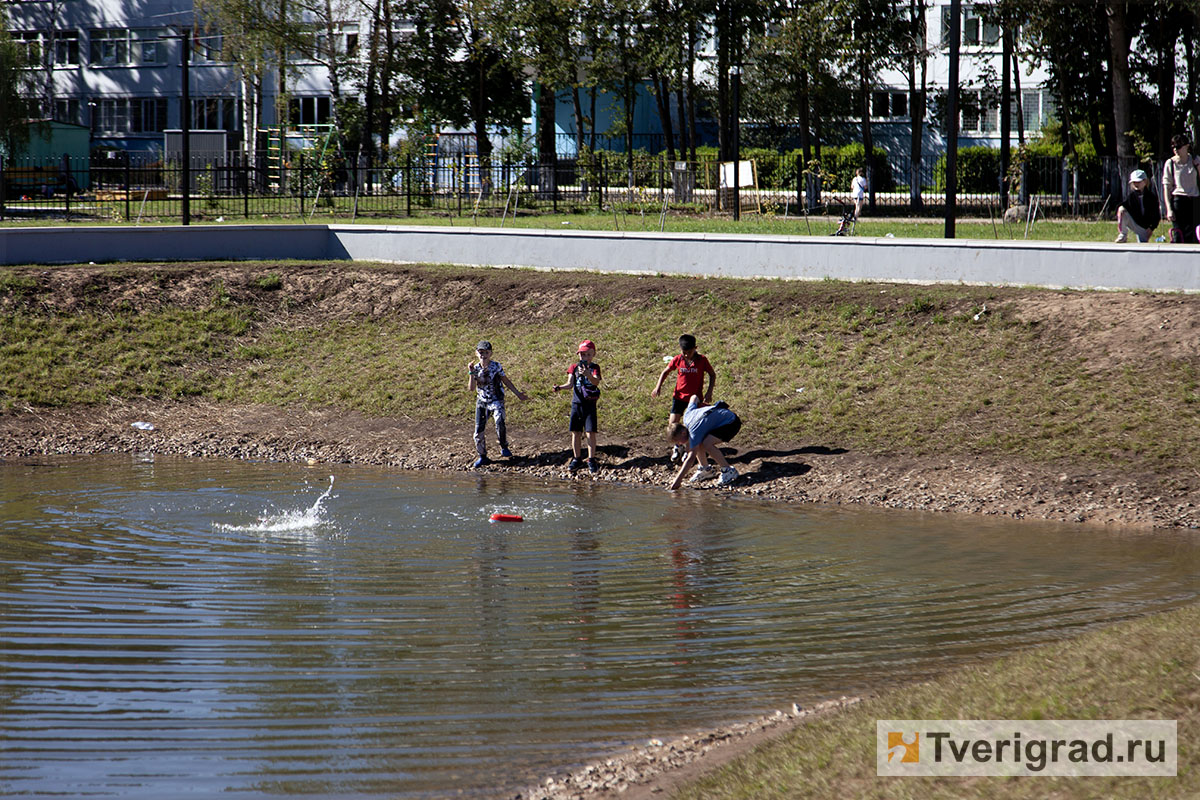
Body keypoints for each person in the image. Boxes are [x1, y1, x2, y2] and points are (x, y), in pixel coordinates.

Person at [651, 334, 717, 465]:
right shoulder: (677, 359)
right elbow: (665, 372)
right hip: (679, 397)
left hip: (694, 399)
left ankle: (689, 451)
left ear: (695, 348)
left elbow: (712, 374)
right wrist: (657, 387)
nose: (686, 355)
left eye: (689, 352)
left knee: (691, 426)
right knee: (673, 425)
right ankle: (677, 447)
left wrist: (709, 392)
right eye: (684, 352)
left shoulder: (702, 360)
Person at [467, 340, 527, 468]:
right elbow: (471, 388)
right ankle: (482, 456)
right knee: (478, 432)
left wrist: (518, 394)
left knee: (499, 421)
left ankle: (504, 446)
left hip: (496, 400)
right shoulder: (475, 368)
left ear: (491, 353)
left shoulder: (496, 366)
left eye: (486, 352)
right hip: (482, 402)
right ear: (477, 353)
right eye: (481, 352)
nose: (483, 355)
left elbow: (506, 380)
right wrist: (471, 372)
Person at [667, 395, 742, 490]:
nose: (679, 444)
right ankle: (705, 469)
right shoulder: (687, 416)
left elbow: (690, 459)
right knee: (700, 442)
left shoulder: (694, 432)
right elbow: (694, 397)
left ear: (683, 432)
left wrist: (677, 481)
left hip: (731, 422)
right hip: (720, 419)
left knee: (707, 444)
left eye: (678, 441)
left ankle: (728, 470)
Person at [552, 340, 602, 473]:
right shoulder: (573, 367)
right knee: (576, 432)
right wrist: (559, 388)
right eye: (582, 354)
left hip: (590, 404)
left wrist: (588, 375)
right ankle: (577, 458)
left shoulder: (595, 367)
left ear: (593, 354)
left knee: (590, 432)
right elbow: (570, 384)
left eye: (587, 354)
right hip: (577, 403)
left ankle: (591, 459)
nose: (584, 357)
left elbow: (596, 382)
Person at [1162, 134, 1200, 243]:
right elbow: (1166, 187)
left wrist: (1198, 166)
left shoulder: (1195, 160)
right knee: (1179, 233)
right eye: (1173, 147)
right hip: (1179, 199)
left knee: (1194, 233)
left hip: (1194, 200)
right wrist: (1169, 209)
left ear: (1186, 146)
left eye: (1178, 147)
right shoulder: (1170, 163)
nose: (1176, 150)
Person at [1115, 169, 1161, 243]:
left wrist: (1151, 228)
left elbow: (1156, 215)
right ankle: (1123, 234)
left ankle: (1142, 237)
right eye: (1134, 182)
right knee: (1122, 210)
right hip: (1134, 222)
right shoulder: (1131, 196)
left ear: (1145, 182)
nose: (1136, 184)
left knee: (1142, 244)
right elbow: (1123, 205)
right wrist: (1120, 208)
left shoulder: (1151, 197)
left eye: (1139, 182)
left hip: (1144, 227)